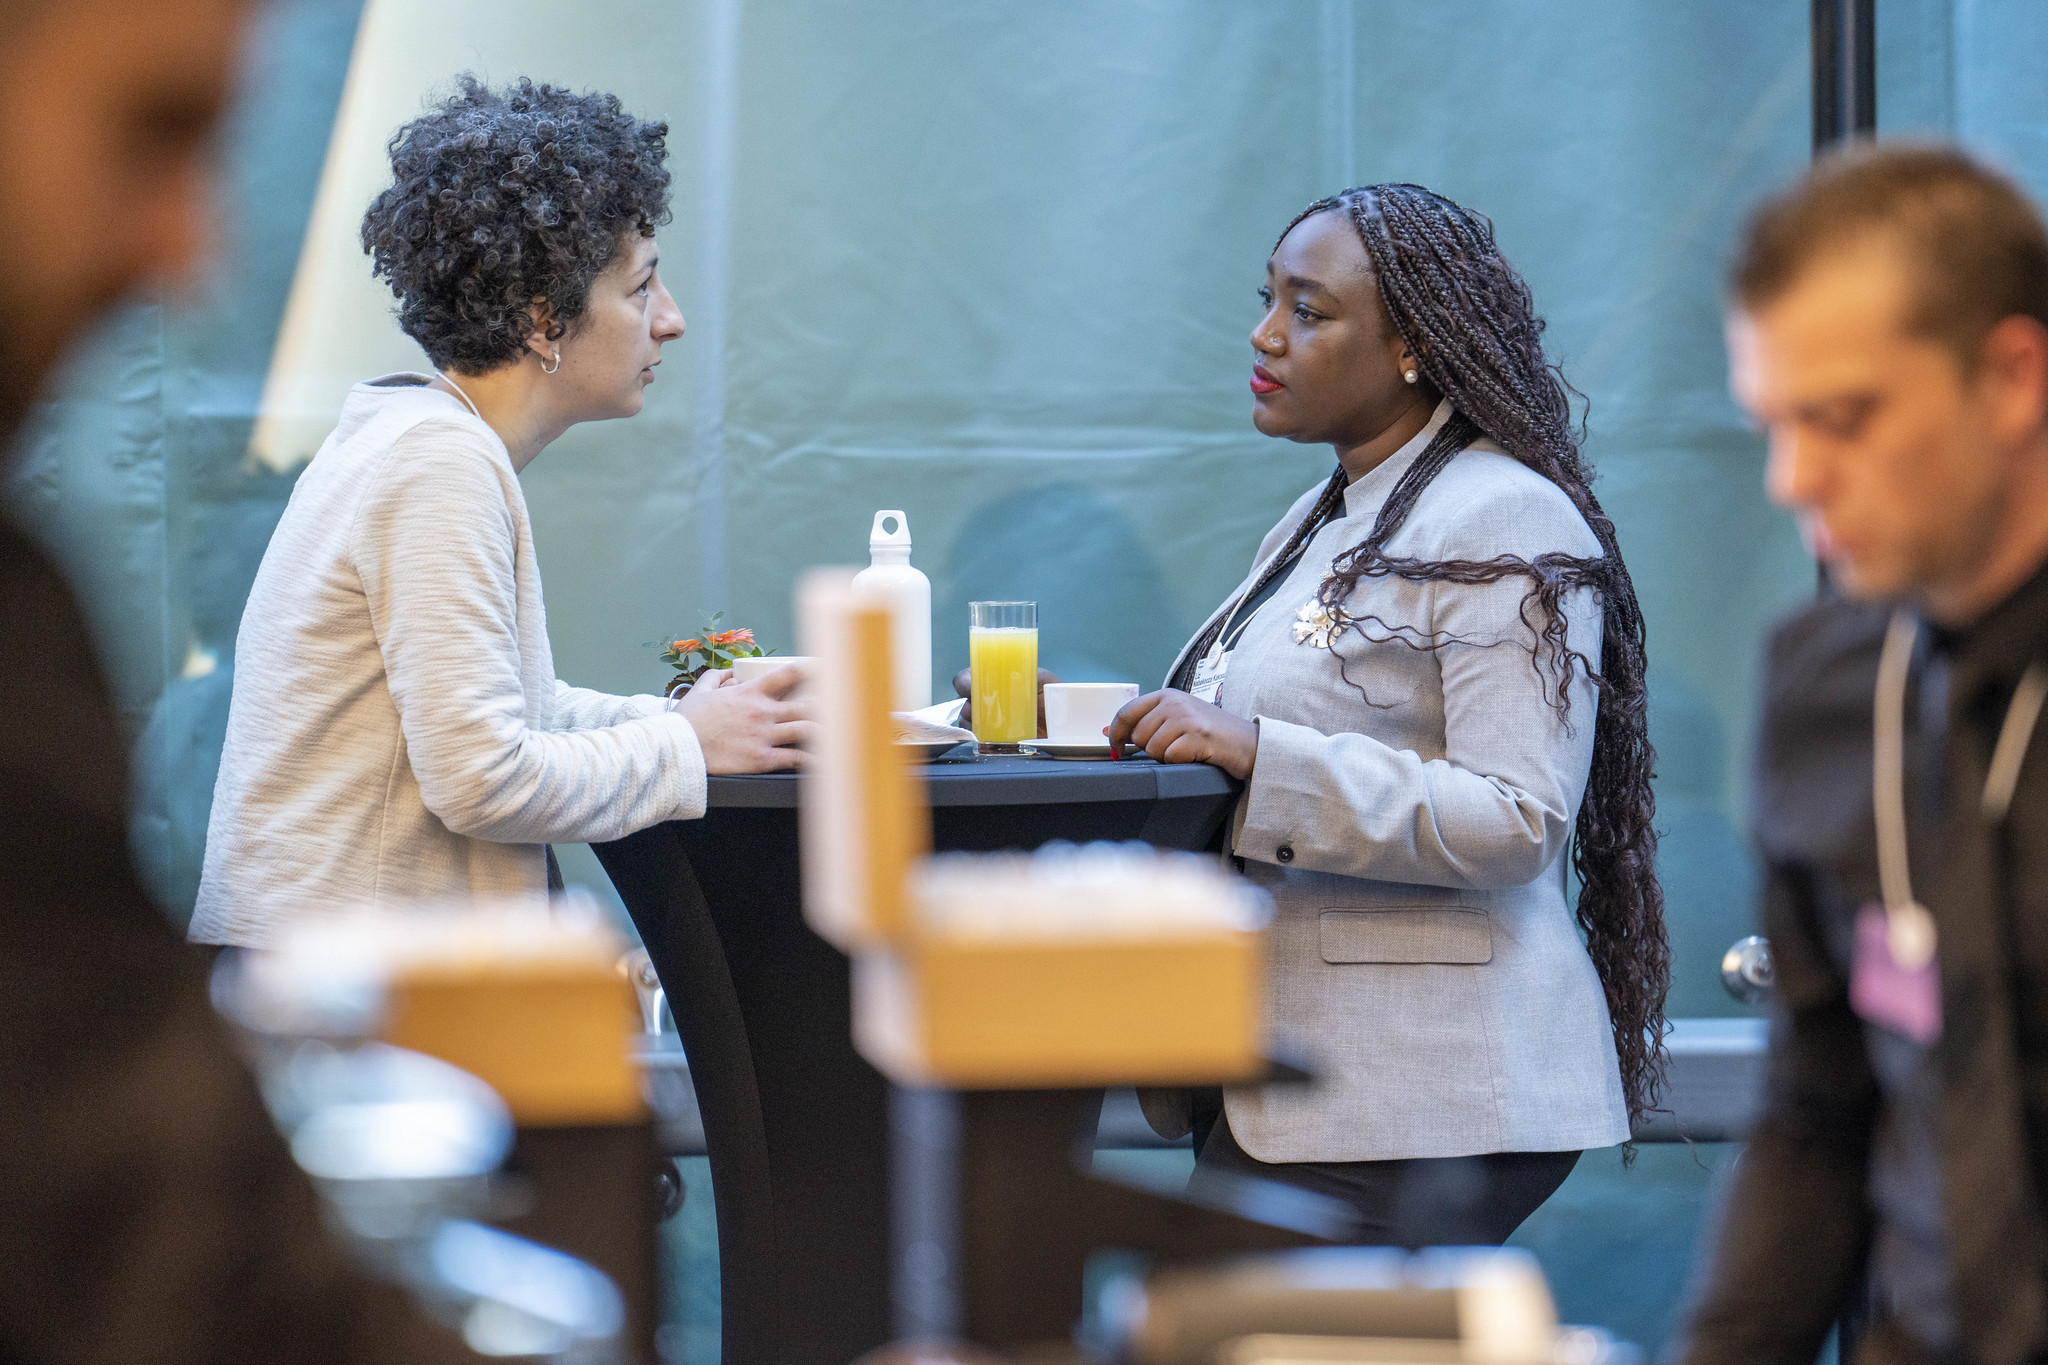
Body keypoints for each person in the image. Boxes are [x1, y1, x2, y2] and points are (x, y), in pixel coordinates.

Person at [0, 0, 481, 1357]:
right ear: (555, 310)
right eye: (149, 131)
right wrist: (687, 746)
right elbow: (479, 756)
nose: (185, 247)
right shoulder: (439, 460)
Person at [1109, 184, 1669, 1245]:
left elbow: (1516, 816)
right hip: (1309, 1099)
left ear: (1411, 345)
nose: (1262, 334)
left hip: (1420, 1101)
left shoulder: (1502, 513)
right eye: (1267, 299)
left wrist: (1262, 757)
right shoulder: (1325, 514)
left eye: (1307, 311)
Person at [191, 78, 811, 947]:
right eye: (641, 289)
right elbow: (483, 776)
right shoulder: (437, 461)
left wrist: (696, 718)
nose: (671, 320)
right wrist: (687, 745)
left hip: (334, 980)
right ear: (539, 320)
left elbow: (516, 713)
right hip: (345, 1004)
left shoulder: (413, 437)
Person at [1673, 145, 2048, 1364]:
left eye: (1839, 418)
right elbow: (1818, 1112)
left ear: (2009, 378)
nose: (1795, 479)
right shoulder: (1823, 686)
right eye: (1771, 425)